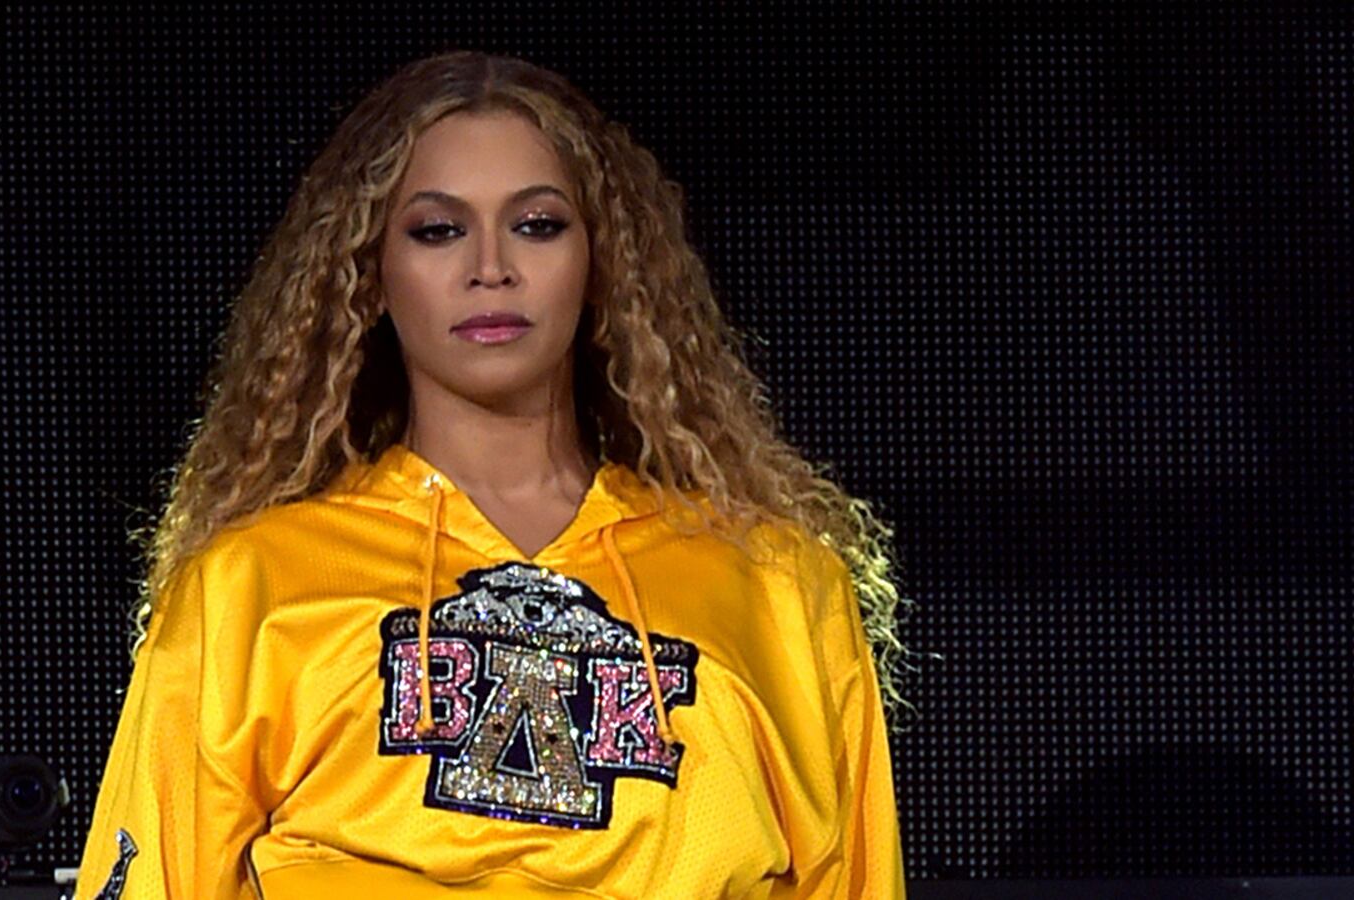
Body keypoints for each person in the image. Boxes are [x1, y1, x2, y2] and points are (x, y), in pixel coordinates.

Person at [73, 50, 911, 899]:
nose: (490, 267)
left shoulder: (777, 587)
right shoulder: (250, 587)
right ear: (370, 274)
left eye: (537, 224)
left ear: (601, 263)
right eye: (438, 229)